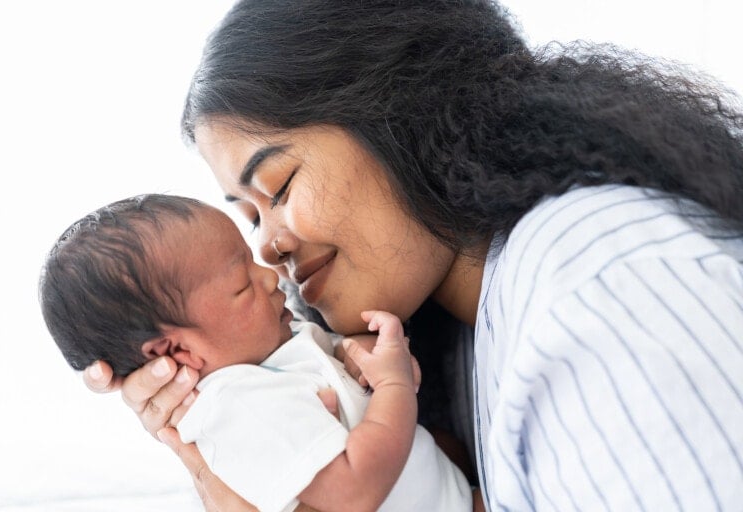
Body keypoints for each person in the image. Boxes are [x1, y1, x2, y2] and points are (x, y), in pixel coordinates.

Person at [83, 0, 743, 510]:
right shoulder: (468, 335)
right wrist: (225, 454)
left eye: (279, 188)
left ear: (403, 113)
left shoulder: (606, 296)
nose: (267, 244)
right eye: (250, 216)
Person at [40, 194, 475, 512]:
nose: (271, 278)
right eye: (242, 284)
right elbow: (354, 492)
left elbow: (329, 367)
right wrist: (393, 385)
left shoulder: (270, 352)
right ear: (177, 350)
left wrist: (356, 355)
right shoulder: (238, 403)